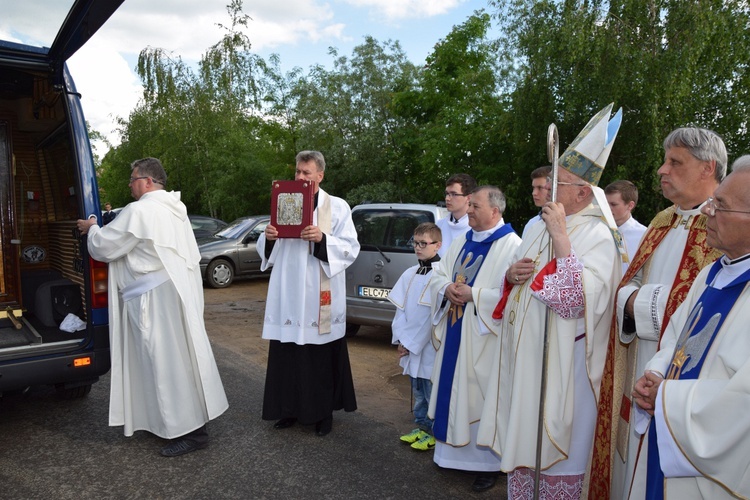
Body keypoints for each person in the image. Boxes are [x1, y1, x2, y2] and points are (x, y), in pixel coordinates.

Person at [478, 104, 624, 499]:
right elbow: (517, 280)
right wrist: (511, 277)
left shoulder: (596, 235)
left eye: (562, 183)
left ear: (583, 192)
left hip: (564, 361)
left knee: (555, 456)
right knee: (525, 446)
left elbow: (574, 301)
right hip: (526, 357)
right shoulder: (537, 224)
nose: (551, 190)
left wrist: (561, 234)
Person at [589, 128, 727, 499]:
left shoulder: (725, 226)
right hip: (641, 361)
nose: (662, 170)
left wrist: (638, 302)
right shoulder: (663, 219)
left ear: (707, 168)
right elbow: (627, 283)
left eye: (675, 162)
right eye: (665, 161)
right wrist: (630, 301)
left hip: (682, 377)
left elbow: (706, 307)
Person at [76, 157, 228, 457]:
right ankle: (173, 423)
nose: (130, 185)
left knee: (165, 363)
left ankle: (193, 434)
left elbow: (105, 246)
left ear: (147, 181)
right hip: (173, 293)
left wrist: (92, 227)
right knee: (175, 360)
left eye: (133, 179)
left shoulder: (142, 210)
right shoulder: (175, 210)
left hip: (153, 300)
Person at [630, 157, 750, 499]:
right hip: (672, 430)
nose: (707, 212)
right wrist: (655, 374)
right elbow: (676, 339)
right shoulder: (712, 272)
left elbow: (743, 401)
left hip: (711, 467)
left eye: (721, 206)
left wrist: (666, 397)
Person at [258, 150, 360, 437]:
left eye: (306, 173)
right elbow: (270, 252)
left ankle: (322, 414)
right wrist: (268, 237)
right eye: (297, 172)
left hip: (318, 291)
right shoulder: (284, 202)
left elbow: (351, 247)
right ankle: (288, 409)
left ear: (320, 175)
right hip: (289, 290)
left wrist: (322, 239)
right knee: (288, 353)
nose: (300, 177)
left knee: (319, 356)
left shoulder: (337, 207)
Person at [428, 185, 521, 493]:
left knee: (482, 397)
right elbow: (438, 272)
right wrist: (446, 289)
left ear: (495, 211)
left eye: (475, 207)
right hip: (457, 328)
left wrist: (474, 295)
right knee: (453, 392)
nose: (468, 211)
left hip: (485, 339)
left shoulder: (513, 246)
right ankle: (450, 455)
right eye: (468, 206)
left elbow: (516, 298)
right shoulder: (461, 242)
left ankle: (487, 465)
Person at [389, 222, 442, 451]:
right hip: (409, 344)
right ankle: (420, 427)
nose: (418, 248)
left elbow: (431, 317)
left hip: (428, 346)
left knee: (431, 391)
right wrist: (401, 339)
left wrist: (410, 343)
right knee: (417, 390)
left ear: (437, 245)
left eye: (423, 243)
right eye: (415, 243)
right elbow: (399, 310)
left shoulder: (442, 276)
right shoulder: (409, 273)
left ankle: (433, 432)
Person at [605, 180, 647, 273]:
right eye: (605, 203)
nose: (607, 208)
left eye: (613, 204)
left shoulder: (644, 237)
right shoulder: (597, 229)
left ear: (630, 205)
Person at [436, 173, 477, 257]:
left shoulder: (477, 229)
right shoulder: (439, 226)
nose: (447, 198)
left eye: (454, 194)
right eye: (447, 193)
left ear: (469, 198)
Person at [521, 166, 552, 238]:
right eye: (533, 188)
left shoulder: (568, 223)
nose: (534, 193)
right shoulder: (531, 224)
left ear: (551, 187)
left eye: (540, 188)